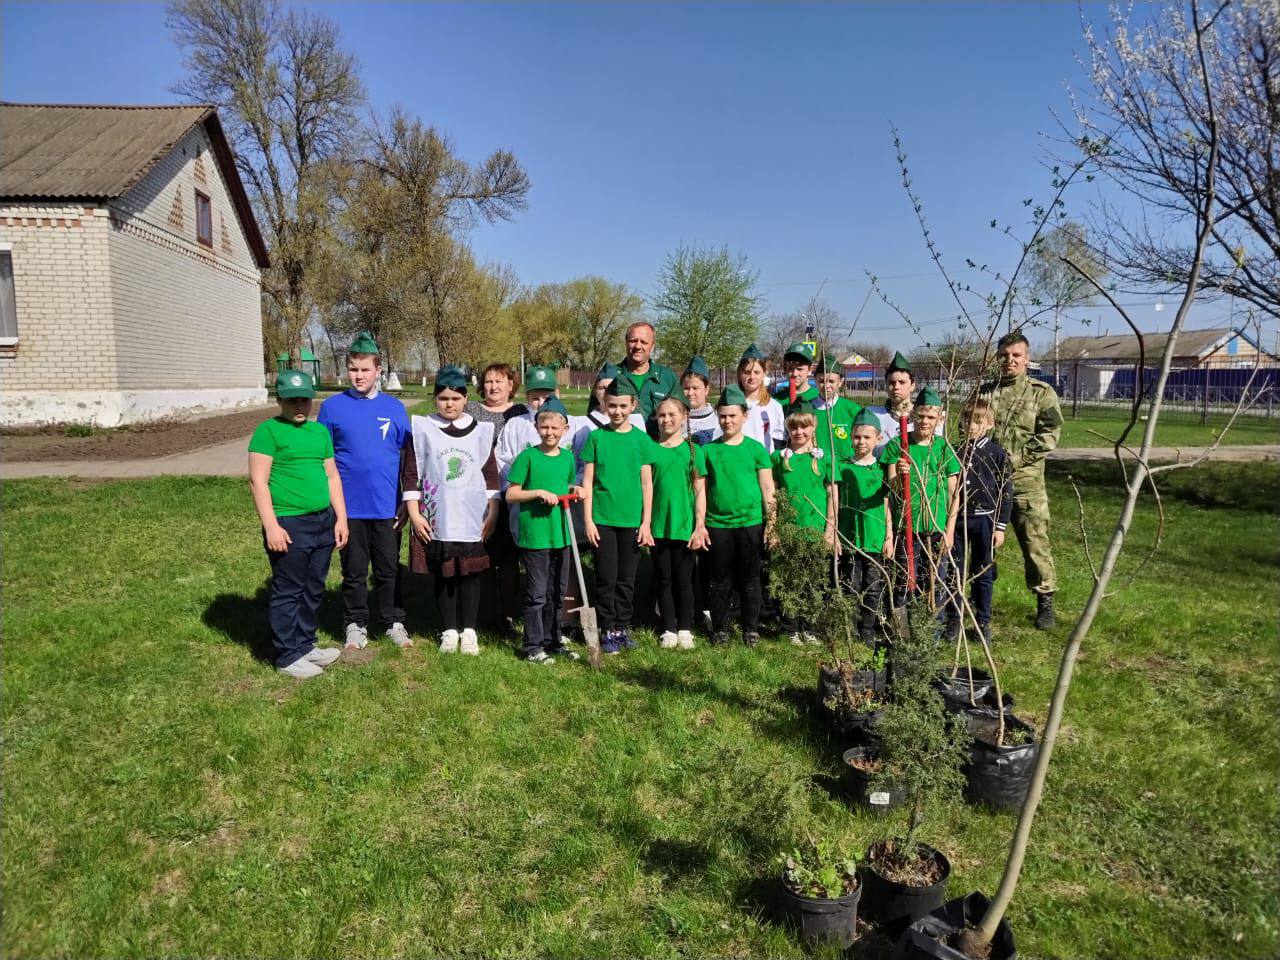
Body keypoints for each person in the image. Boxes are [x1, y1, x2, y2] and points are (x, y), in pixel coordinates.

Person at [316, 332, 415, 651]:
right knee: (354, 571)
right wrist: (334, 510)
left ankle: (393, 621)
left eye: (365, 369)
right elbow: (323, 460)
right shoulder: (332, 408)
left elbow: (407, 458)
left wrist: (406, 501)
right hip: (349, 509)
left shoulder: (395, 408)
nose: (359, 375)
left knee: (389, 570)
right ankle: (355, 624)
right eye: (353, 369)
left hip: (387, 506)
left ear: (378, 371)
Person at [247, 369, 348, 678]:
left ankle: (305, 644)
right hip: (288, 522)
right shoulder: (268, 432)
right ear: (279, 400)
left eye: (304, 399)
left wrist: (340, 517)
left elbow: (332, 476)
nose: (299, 406)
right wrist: (272, 526)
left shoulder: (320, 433)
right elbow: (258, 481)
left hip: (323, 521)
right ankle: (288, 655)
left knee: (313, 587)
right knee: (289, 588)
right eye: (292, 401)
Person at [406, 365, 501, 655]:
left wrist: (494, 511)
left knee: (470, 575)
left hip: (473, 517)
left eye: (456, 399)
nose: (449, 404)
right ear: (436, 398)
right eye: (443, 398)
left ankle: (469, 630)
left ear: (466, 399)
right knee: (445, 573)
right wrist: (413, 512)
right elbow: (412, 472)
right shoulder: (423, 429)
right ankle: (449, 629)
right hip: (438, 516)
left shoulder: (481, 432)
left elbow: (490, 473)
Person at [978, 331, 1063, 629]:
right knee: (983, 542)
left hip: (1026, 483)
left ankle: (1045, 601)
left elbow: (1049, 436)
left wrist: (1013, 461)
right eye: (1004, 356)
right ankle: (981, 599)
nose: (1010, 360)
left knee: (1035, 543)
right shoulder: (985, 393)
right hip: (988, 486)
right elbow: (970, 429)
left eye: (1016, 355)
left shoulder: (1042, 393)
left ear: (1027, 359)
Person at [579, 376, 657, 654]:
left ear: (633, 405)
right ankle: (607, 626)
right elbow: (587, 483)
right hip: (603, 520)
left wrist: (646, 522)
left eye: (623, 406)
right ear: (604, 405)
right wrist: (588, 520)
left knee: (626, 578)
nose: (617, 411)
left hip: (631, 521)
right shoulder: (597, 438)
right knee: (606, 577)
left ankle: (623, 625)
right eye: (612, 405)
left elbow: (647, 483)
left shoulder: (641, 440)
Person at [505, 396, 580, 665]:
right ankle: (532, 646)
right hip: (535, 535)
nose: (549, 432)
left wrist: (575, 490)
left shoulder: (568, 458)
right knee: (537, 594)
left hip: (561, 533)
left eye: (555, 428)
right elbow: (512, 494)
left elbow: (567, 484)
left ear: (565, 430)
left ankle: (554, 640)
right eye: (544, 427)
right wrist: (537, 493)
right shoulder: (528, 457)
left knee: (557, 594)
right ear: (537, 428)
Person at [702, 385, 776, 647]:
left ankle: (750, 628)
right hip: (718, 523)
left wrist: (772, 523)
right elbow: (701, 489)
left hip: (750, 522)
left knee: (750, 578)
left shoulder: (756, 450)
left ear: (744, 416)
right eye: (723, 416)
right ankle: (721, 628)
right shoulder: (708, 451)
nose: (727, 421)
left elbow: (768, 488)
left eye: (733, 415)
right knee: (719, 580)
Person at [881, 387, 961, 610]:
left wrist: (949, 531)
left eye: (931, 417)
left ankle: (931, 635)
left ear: (939, 419)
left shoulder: (944, 448)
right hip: (908, 527)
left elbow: (954, 494)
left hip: (936, 528)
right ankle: (904, 633)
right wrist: (900, 472)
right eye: (921, 416)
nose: (925, 421)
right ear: (913, 415)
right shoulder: (898, 446)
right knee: (905, 583)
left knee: (936, 582)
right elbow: (892, 490)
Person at [466, 362, 530, 631]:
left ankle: (507, 613)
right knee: (482, 553)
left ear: (510, 385)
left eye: (499, 381)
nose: (493, 386)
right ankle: (485, 611)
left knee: (508, 558)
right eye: (489, 381)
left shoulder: (521, 413)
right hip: (477, 490)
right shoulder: (471, 411)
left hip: (511, 491)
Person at [945, 399, 1012, 644]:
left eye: (978, 421)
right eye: (967, 420)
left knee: (982, 571)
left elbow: (1006, 492)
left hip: (985, 521)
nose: (971, 426)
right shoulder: (954, 450)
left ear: (990, 424)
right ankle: (954, 618)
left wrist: (1000, 526)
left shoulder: (998, 454)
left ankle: (982, 621)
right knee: (955, 570)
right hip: (958, 520)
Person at [772, 410, 837, 645]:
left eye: (804, 427)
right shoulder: (779, 458)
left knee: (813, 580)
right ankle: (790, 627)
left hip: (815, 529)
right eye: (794, 428)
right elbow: (774, 495)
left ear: (813, 428)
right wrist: (774, 528)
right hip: (789, 530)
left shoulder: (825, 459)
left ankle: (809, 627)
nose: (799, 432)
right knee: (790, 579)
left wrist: (830, 530)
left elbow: (832, 496)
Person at [650, 394, 709, 650]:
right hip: (658, 525)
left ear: (684, 417)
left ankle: (685, 627)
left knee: (684, 579)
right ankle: (668, 628)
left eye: (672, 414)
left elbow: (699, 490)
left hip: (684, 526)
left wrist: (699, 525)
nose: (666, 419)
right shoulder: (650, 449)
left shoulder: (693, 451)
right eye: (662, 415)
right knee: (663, 579)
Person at [838, 408, 894, 645]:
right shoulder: (841, 467)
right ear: (851, 437)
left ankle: (868, 627)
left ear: (878, 439)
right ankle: (849, 625)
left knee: (872, 584)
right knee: (849, 583)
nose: (861, 442)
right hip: (849, 536)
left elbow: (888, 504)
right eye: (857, 437)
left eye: (867, 437)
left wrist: (889, 536)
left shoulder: (881, 470)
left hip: (874, 535)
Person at [866, 351, 943, 456]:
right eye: (892, 383)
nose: (896, 387)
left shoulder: (927, 416)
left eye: (902, 382)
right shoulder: (873, 415)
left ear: (912, 385)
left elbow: (936, 451)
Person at [616, 321, 681, 425]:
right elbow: (596, 416)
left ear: (652, 346)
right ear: (626, 342)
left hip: (657, 441)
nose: (637, 346)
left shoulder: (667, 377)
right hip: (620, 440)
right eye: (633, 341)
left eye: (644, 342)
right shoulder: (610, 375)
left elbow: (681, 415)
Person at [812, 352, 863, 464]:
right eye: (821, 381)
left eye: (831, 381)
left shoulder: (853, 410)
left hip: (845, 467)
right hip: (816, 467)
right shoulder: (808, 409)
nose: (826, 386)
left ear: (840, 382)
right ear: (815, 380)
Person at [737, 344, 786, 454]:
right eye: (747, 372)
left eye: (756, 372)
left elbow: (779, 442)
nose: (752, 377)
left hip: (764, 467)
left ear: (764, 373)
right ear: (740, 374)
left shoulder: (774, 406)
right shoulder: (732, 406)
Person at [681, 355, 722, 446]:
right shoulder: (676, 418)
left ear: (706, 389)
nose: (690, 393)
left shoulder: (718, 419)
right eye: (686, 388)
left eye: (695, 388)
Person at [776, 340, 821, 416]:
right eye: (790, 369)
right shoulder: (776, 400)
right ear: (785, 370)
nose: (795, 374)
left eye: (800, 369)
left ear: (810, 370)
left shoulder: (818, 398)